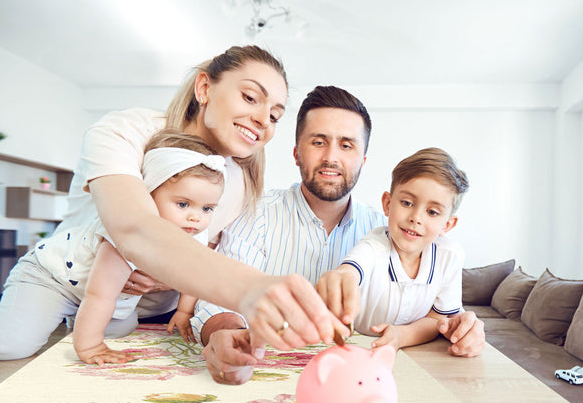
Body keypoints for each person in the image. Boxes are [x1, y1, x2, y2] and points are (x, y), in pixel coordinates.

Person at [0, 130, 226, 363]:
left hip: (93, 290)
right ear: (147, 195)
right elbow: (100, 295)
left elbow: (194, 275)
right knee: (8, 346)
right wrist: (89, 347)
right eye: (183, 204)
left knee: (119, 329)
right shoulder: (126, 231)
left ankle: (70, 318)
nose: (196, 217)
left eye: (208, 208)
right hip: (51, 277)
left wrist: (185, 311)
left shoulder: (193, 232)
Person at [189, 85, 386, 384]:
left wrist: (456, 323)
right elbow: (218, 298)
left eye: (346, 145)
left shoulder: (385, 231)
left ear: (363, 160)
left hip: (358, 384)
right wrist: (226, 333)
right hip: (265, 377)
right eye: (318, 142)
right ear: (296, 153)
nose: (331, 157)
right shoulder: (255, 214)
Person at [316, 147, 485, 357]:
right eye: (407, 203)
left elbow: (438, 319)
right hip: (357, 351)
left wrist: (401, 335)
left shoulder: (449, 256)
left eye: (432, 212)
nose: (416, 217)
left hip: (413, 355)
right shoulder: (374, 246)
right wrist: (340, 277)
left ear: (447, 225)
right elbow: (350, 270)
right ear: (387, 204)